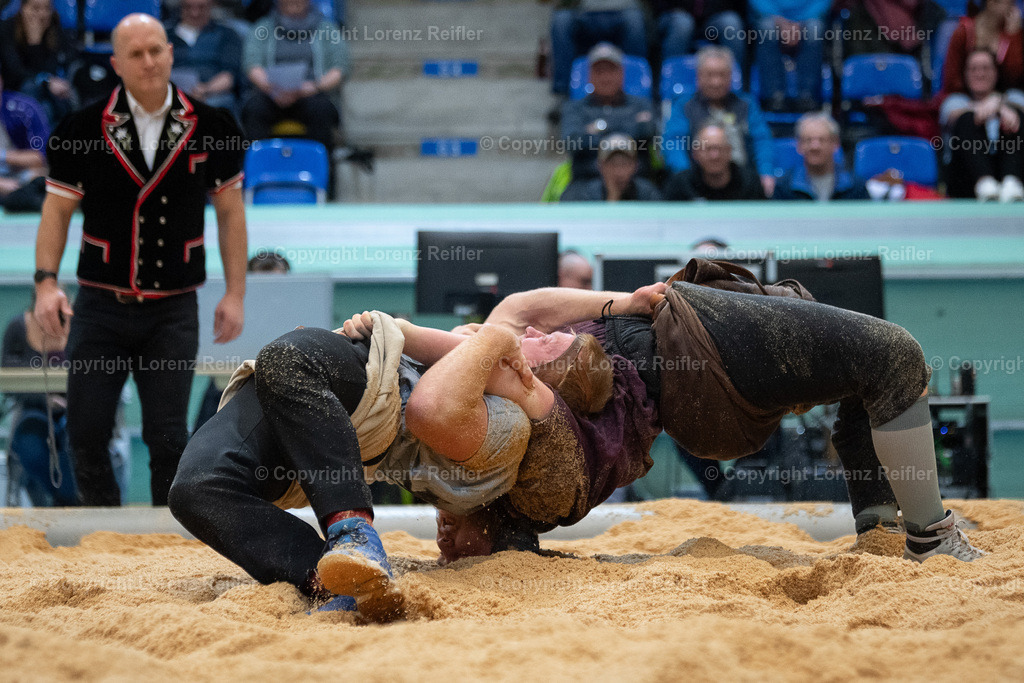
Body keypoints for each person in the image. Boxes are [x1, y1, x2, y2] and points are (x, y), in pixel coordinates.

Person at [469, 274, 986, 564]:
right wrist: (401, 329)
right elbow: (514, 316)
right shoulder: (483, 380)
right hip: (690, 352)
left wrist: (623, 301)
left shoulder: (490, 370)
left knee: (863, 370)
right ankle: (931, 536)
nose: (531, 339)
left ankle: (880, 528)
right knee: (896, 357)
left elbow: (519, 306)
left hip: (685, 367)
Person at [169, 310, 607, 618]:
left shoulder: (525, 398)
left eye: (547, 342)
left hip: (360, 385)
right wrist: (625, 302)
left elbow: (429, 403)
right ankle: (343, 560)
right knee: (193, 490)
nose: (532, 331)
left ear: (550, 385)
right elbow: (523, 307)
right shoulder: (497, 370)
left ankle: (344, 553)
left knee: (284, 361)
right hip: (324, 385)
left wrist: (486, 339)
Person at [33, 13, 248, 507]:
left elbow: (231, 216)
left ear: (172, 52)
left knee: (168, 436)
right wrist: (46, 283)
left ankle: (165, 544)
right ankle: (104, 531)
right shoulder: (80, 128)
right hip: (100, 305)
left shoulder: (214, 126)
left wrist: (235, 294)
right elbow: (57, 211)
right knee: (85, 430)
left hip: (172, 309)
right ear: (115, 63)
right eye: (136, 54)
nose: (149, 61)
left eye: (157, 50)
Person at [662, 46, 776, 197]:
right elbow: (674, 141)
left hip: (741, 183)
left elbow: (761, 140)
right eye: (710, 75)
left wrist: (766, 172)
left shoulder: (746, 104)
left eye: (722, 75)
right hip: (698, 182)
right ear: (699, 76)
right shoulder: (685, 105)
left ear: (731, 76)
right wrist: (684, 176)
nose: (716, 82)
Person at [241, 0, 346, 155]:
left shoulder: (326, 28)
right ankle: (258, 170)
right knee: (254, 109)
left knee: (322, 111)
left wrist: (315, 86)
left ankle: (321, 171)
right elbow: (251, 63)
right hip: (272, 93)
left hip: (311, 93)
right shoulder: (263, 27)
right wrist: (271, 87)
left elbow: (340, 68)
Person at [560, 43, 656, 180]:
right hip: (588, 180)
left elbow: (648, 131)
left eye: (611, 70)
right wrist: (627, 128)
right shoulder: (574, 108)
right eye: (599, 71)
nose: (605, 77)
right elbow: (572, 142)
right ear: (589, 76)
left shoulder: (641, 104)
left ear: (622, 73)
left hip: (636, 180)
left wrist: (599, 127)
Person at [940, 49, 1024, 200]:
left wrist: (999, 105)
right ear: (965, 74)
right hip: (966, 181)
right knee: (966, 118)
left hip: (1010, 172)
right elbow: (952, 116)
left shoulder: (1014, 97)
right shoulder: (954, 101)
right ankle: (985, 182)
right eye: (973, 69)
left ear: (997, 72)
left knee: (1017, 116)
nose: (980, 74)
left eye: (986, 68)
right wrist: (990, 106)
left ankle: (1012, 182)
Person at [0, 0, 78, 125]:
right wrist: (34, 42)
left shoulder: (54, 27)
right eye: (36, 8)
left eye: (47, 8)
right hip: (17, 89)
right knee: (41, 104)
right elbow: (14, 73)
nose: (42, 14)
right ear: (23, 8)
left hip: (47, 90)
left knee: (62, 101)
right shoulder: (7, 28)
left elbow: (54, 68)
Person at [549, 0, 648, 97]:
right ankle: (563, 92)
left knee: (635, 22)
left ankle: (635, 92)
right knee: (561, 20)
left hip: (625, 10)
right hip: (583, 12)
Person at [749, 0, 829, 112]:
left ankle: (807, 97)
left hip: (809, 18)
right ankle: (773, 97)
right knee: (766, 29)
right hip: (770, 17)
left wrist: (800, 24)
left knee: (814, 30)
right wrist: (779, 22)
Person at [166, 0, 244, 113]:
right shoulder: (164, 35)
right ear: (181, 7)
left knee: (219, 105)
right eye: (188, 7)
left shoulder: (226, 35)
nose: (195, 13)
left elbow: (229, 77)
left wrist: (204, 89)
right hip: (172, 93)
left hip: (212, 94)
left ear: (211, 6)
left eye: (201, 8)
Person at [773, 112, 869, 201]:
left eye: (822, 140)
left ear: (835, 144)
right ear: (799, 145)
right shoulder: (784, 188)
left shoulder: (855, 186)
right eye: (808, 140)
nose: (815, 147)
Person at [663, 123, 767, 200]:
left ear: (729, 151)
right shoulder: (680, 185)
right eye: (707, 149)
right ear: (695, 153)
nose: (714, 156)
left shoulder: (750, 183)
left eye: (719, 148)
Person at [941, 0, 1023, 96]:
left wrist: (1013, 36)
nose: (1015, 8)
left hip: (1003, 95)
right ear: (992, 2)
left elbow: (1016, 79)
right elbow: (952, 80)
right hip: (966, 96)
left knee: (1018, 98)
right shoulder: (964, 33)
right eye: (1011, 3)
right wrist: (977, 99)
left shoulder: (1014, 33)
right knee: (952, 105)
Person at [560, 133, 662, 201]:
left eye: (624, 164)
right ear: (600, 166)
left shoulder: (648, 194)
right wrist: (613, 196)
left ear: (635, 165)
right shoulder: (583, 196)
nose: (619, 172)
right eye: (613, 164)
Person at [0, 72, 49, 208]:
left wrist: (3, 156)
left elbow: (40, 157)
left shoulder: (24, 109)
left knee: (42, 178)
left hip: (22, 179)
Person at [649, 0, 745, 65]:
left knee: (731, 23)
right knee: (682, 24)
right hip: (674, 15)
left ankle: (735, 84)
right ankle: (672, 80)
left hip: (713, 17)